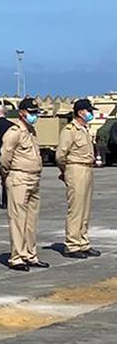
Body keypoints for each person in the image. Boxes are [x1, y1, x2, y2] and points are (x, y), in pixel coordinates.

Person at [0, 97, 48, 271]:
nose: (35, 116)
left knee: (31, 220)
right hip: (19, 177)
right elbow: (5, 158)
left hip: (34, 178)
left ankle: (30, 254)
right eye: (32, 113)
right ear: (22, 113)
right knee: (18, 219)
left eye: (36, 113)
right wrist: (8, 175)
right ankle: (17, 257)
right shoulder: (14, 132)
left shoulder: (32, 131)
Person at [56, 98, 100, 259]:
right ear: (81, 112)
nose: (91, 114)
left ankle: (83, 241)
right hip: (76, 168)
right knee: (76, 209)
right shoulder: (70, 130)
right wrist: (65, 172)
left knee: (85, 209)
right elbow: (61, 155)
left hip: (87, 168)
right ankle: (72, 244)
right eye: (89, 111)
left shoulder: (84, 129)